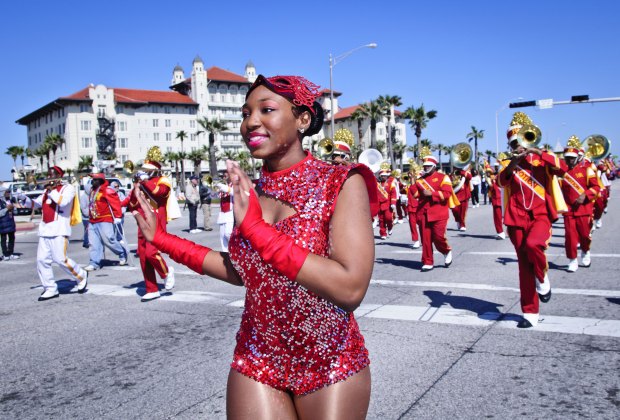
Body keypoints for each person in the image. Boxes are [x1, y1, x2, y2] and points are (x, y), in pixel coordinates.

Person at [132, 74, 378, 419]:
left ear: (302, 119)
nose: (251, 122)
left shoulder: (341, 182)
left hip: (328, 359)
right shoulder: (251, 193)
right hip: (258, 355)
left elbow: (350, 287)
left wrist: (259, 232)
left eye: (267, 110)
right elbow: (243, 272)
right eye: (246, 113)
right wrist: (164, 240)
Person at [498, 112, 567, 328]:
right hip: (516, 217)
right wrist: (513, 163)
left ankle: (543, 278)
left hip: (540, 215)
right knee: (523, 266)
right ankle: (530, 312)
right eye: (514, 143)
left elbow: (562, 168)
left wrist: (538, 151)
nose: (518, 146)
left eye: (521, 142)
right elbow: (501, 182)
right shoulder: (507, 163)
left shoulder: (541, 159)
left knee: (534, 245)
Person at [123, 150, 176, 301]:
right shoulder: (142, 182)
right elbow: (132, 200)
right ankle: (151, 288)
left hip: (156, 221)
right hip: (143, 221)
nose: (144, 171)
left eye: (147, 169)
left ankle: (166, 272)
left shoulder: (163, 180)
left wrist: (145, 181)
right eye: (143, 169)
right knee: (143, 257)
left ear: (155, 170)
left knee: (152, 253)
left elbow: (159, 193)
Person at [31, 166, 87, 301]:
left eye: (51, 175)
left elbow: (63, 202)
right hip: (45, 231)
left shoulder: (68, 189)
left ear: (58, 176)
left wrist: (51, 191)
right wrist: (22, 198)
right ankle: (50, 288)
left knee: (61, 259)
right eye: (48, 175)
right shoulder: (46, 192)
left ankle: (81, 274)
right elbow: (36, 204)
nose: (49, 178)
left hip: (59, 230)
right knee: (41, 261)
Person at [560, 145, 601, 272]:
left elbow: (596, 187)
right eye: (567, 158)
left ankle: (586, 251)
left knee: (584, 235)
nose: (570, 160)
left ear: (577, 158)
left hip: (584, 209)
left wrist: (585, 195)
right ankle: (572, 260)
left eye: (572, 158)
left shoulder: (587, 170)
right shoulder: (562, 173)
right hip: (569, 210)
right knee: (570, 237)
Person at [412, 155, 455, 271]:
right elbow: (415, 194)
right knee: (425, 239)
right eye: (424, 166)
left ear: (434, 166)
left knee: (438, 237)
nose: (426, 168)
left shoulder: (443, 177)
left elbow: (447, 194)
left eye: (428, 166)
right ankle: (427, 261)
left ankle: (446, 251)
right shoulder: (420, 180)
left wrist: (432, 194)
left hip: (439, 212)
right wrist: (412, 181)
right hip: (423, 213)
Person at [83, 173, 128, 271]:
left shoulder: (107, 190)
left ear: (101, 181)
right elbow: (85, 186)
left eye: (95, 180)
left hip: (105, 219)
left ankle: (121, 252)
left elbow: (115, 203)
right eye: (92, 180)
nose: (93, 182)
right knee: (93, 243)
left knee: (109, 239)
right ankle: (94, 262)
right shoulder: (92, 190)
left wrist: (117, 216)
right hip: (93, 220)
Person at [215, 172, 234, 251]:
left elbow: (234, 192)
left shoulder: (235, 184)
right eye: (223, 175)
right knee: (222, 236)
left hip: (231, 212)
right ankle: (226, 254)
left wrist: (225, 188)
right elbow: (218, 196)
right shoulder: (224, 185)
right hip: (222, 213)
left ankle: (234, 250)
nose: (224, 176)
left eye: (226, 175)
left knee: (228, 233)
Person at [376, 168, 397, 239]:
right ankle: (383, 233)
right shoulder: (377, 184)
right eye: (382, 176)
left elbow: (394, 193)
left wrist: (393, 203)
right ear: (380, 176)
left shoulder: (391, 183)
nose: (384, 177)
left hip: (388, 204)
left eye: (385, 176)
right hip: (379, 204)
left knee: (388, 218)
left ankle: (390, 227)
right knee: (381, 220)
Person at [487, 162, 505, 239]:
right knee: (497, 217)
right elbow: (491, 188)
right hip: (497, 199)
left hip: (505, 199)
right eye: (495, 166)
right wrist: (489, 181)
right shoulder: (492, 177)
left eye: (498, 166)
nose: (496, 168)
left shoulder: (503, 176)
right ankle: (500, 232)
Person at [0, 186, 19, 260]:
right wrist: (6, 209)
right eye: (6, 192)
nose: (8, 194)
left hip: (10, 223)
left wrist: (14, 207)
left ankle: (11, 253)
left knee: (12, 238)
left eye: (9, 192)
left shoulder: (10, 200)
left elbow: (15, 212)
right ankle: (5, 254)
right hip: (2, 224)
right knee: (4, 239)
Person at [451, 167, 472, 231]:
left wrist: (461, 171)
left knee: (462, 212)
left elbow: (469, 177)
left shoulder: (465, 173)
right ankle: (458, 220)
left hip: (464, 195)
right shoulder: (453, 173)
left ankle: (462, 225)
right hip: (455, 196)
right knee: (455, 210)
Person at [406, 169, 421, 249]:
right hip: (411, 207)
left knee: (422, 225)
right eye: (409, 175)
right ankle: (416, 240)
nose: (410, 177)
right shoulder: (408, 185)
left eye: (411, 175)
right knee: (412, 225)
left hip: (419, 207)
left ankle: (426, 238)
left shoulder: (420, 184)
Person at [78, 183, 90, 248]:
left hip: (91, 217)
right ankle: (86, 242)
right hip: (86, 218)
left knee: (91, 231)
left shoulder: (90, 196)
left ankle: (89, 241)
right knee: (87, 230)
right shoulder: (84, 197)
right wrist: (89, 213)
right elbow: (83, 208)